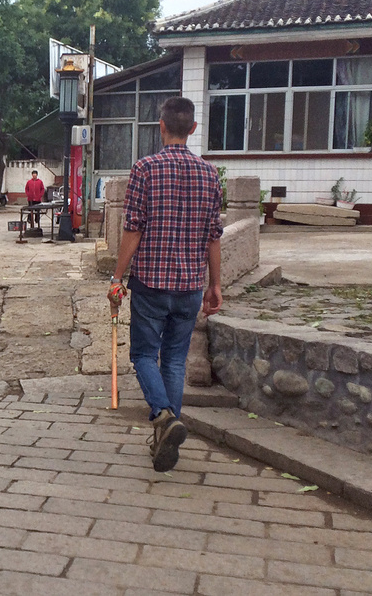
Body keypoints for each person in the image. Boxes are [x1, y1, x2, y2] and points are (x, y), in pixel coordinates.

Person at [109, 96, 224, 473]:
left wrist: (117, 277)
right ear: (192, 129)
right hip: (190, 285)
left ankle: (162, 414)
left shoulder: (144, 169)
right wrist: (215, 285)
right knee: (174, 360)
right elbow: (213, 236)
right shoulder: (210, 174)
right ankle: (164, 435)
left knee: (143, 355)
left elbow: (133, 229)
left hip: (152, 284)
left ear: (161, 127)